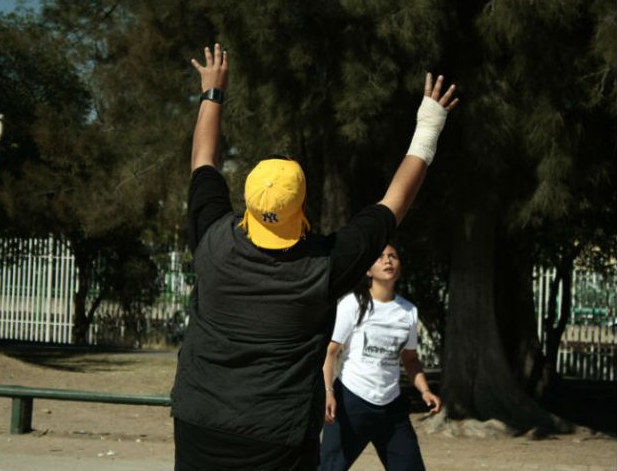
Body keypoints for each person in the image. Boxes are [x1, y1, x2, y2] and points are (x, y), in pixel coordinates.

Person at [169, 42, 458, 470]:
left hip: (199, 422)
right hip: (277, 435)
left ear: (249, 202)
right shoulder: (323, 266)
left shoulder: (212, 239)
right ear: (300, 206)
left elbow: (203, 162)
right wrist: (429, 124)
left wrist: (212, 91)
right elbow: (393, 205)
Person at [319, 244, 442, 471]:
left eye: (393, 256)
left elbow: (410, 359)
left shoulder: (408, 311)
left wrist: (425, 390)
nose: (388, 260)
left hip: (391, 407)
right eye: (380, 257)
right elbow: (329, 352)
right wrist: (328, 392)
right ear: (368, 270)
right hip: (351, 401)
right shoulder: (353, 304)